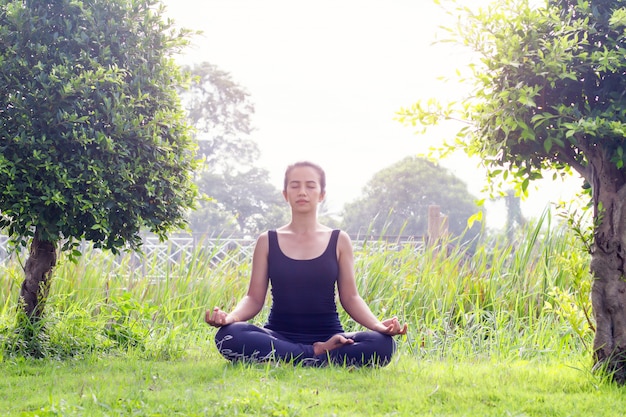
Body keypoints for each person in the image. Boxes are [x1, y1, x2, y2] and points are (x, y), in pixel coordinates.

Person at [205, 161, 408, 367]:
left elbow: (351, 297)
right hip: (278, 335)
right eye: (295, 185)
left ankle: (293, 357)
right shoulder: (267, 240)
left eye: (310, 186)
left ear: (321, 194)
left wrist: (377, 326)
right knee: (229, 335)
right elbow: (253, 298)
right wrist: (230, 318)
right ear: (285, 194)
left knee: (382, 345)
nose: (302, 192)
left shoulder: (339, 240)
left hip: (331, 336)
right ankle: (317, 354)